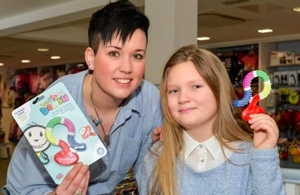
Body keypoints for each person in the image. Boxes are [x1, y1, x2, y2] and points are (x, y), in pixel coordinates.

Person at [2, 1, 162, 194]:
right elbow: (32, 188)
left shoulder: (149, 99)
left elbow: (148, 178)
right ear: (91, 58)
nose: (127, 68)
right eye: (114, 53)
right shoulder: (54, 101)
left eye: (137, 56)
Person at [136, 45, 285, 195]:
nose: (182, 98)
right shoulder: (155, 157)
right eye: (174, 91)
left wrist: (264, 155)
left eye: (196, 86)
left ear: (219, 90)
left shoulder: (252, 155)